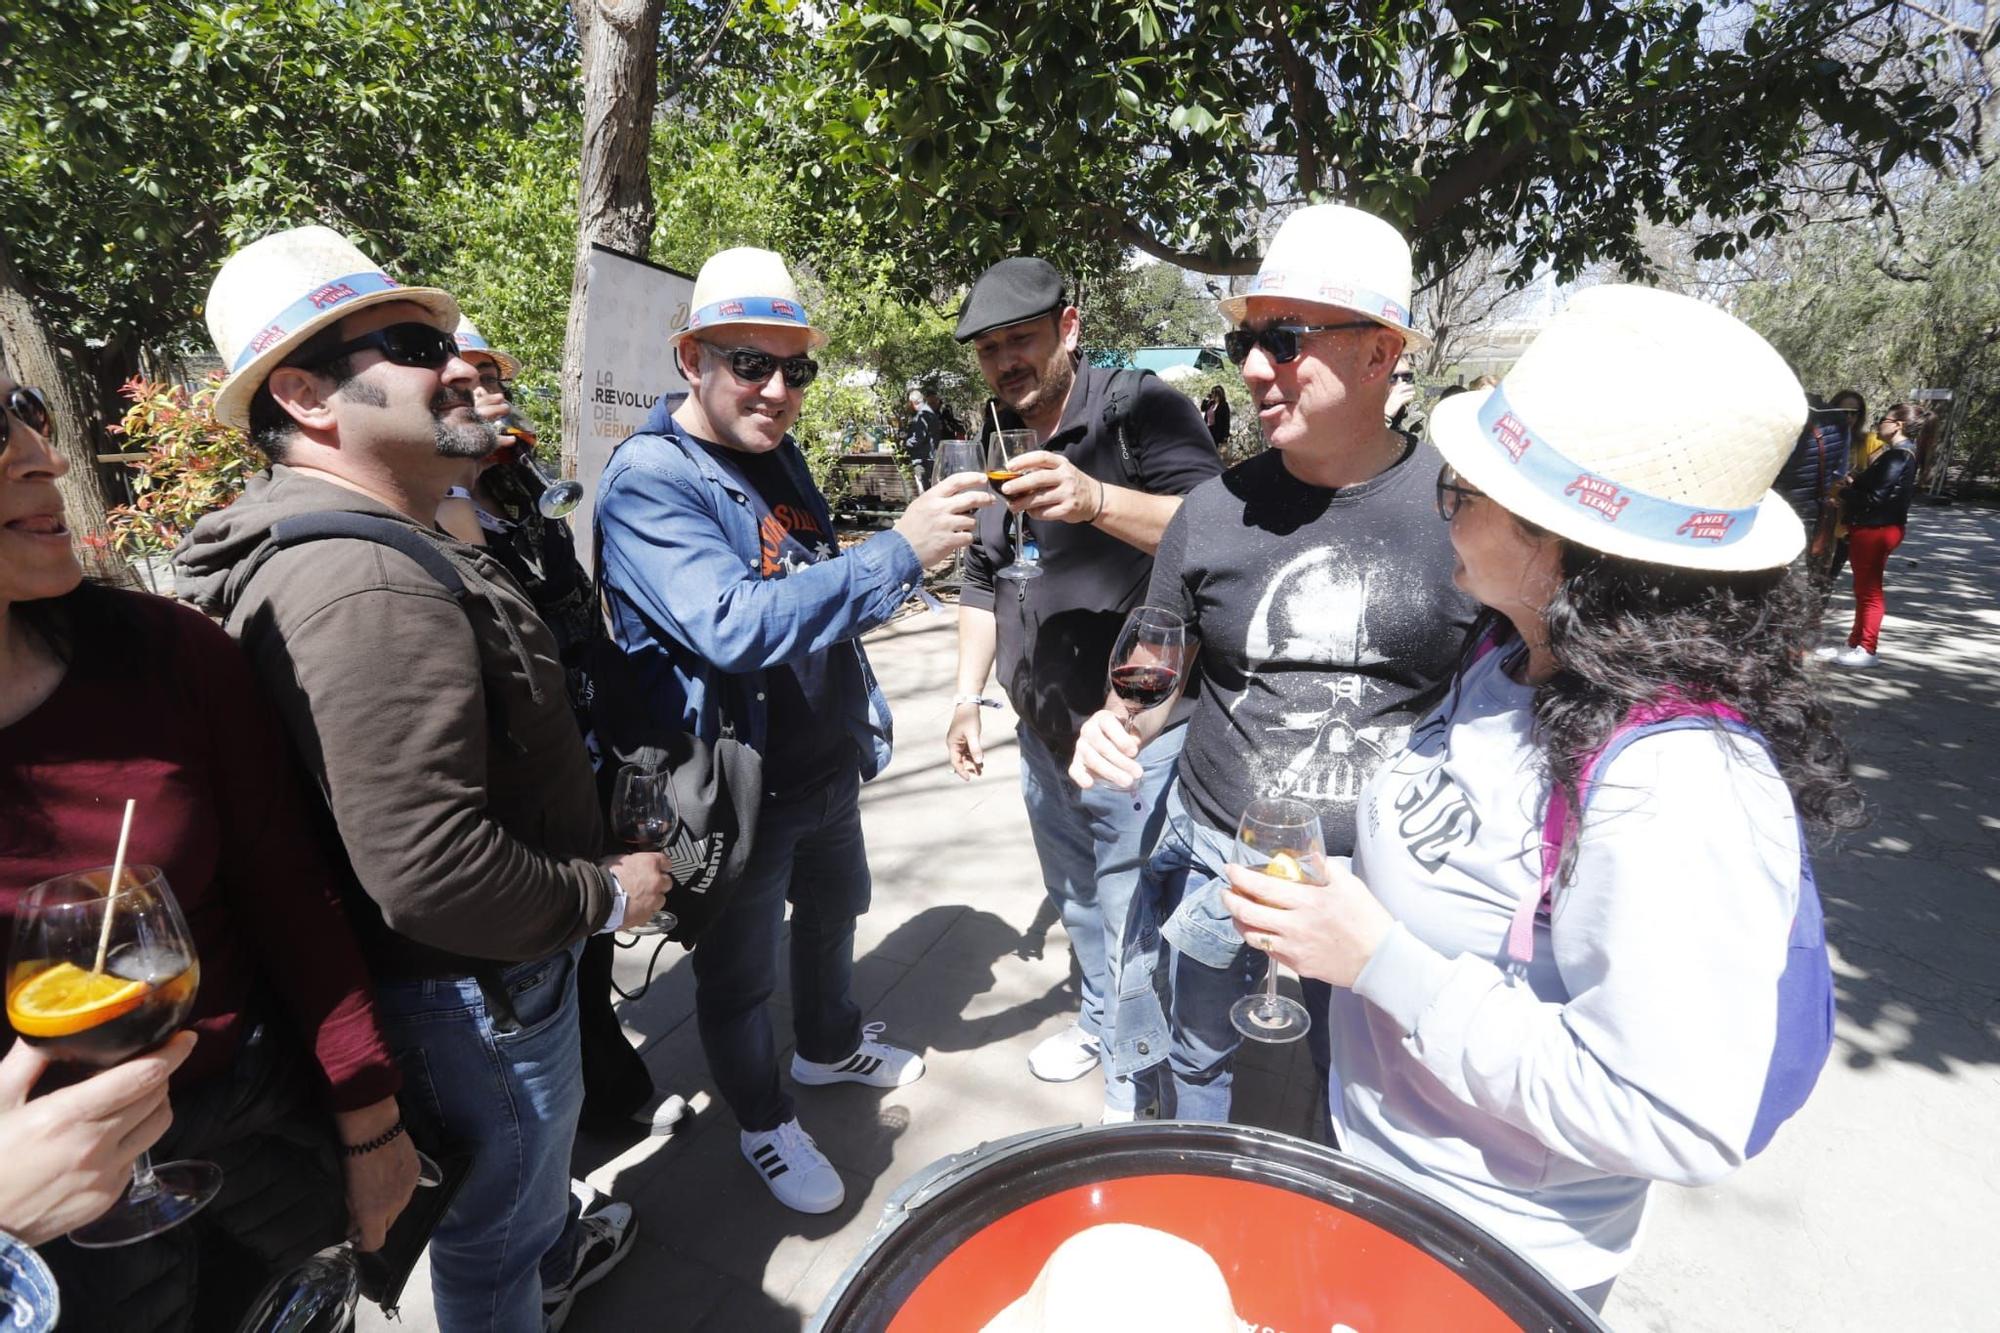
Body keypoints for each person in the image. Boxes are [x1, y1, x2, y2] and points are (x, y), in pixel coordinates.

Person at [1221, 284, 1859, 1309]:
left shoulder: (1678, 783)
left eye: (1461, 497)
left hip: (1483, 1259)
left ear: (1564, 548)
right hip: (1380, 1182)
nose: (1443, 515)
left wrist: (1380, 961)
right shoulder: (1508, 655)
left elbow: (1669, 1110)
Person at [174, 226, 669, 1332]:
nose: (459, 363)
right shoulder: (363, 581)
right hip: (476, 1000)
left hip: (475, 990)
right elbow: (432, 871)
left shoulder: (381, 542)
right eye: (410, 343)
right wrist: (608, 896)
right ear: (305, 395)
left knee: (506, 1224)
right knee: (493, 1247)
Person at [1, 367, 416, 1328]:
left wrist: (370, 1119)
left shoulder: (165, 653)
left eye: (27, 409)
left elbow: (287, 888)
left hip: (256, 1139)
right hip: (51, 1257)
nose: (47, 456)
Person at [595, 247, 989, 1215]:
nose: (777, 389)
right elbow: (730, 624)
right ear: (690, 357)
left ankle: (825, 1045)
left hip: (824, 761)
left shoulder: (776, 452)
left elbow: (804, 569)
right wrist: (898, 551)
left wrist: (880, 590)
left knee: (834, 912)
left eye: (795, 369)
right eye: (749, 363)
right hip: (739, 789)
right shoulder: (649, 480)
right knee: (735, 978)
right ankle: (764, 1116)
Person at [1069, 204, 1477, 1124]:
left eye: (1285, 340)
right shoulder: (1212, 510)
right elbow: (1154, 663)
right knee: (1198, 1068)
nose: (1252, 367)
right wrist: (1116, 719)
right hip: (1222, 866)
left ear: (1380, 353)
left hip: (1384, 892)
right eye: (1251, 339)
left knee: (1361, 1106)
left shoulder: (1465, 508)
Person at [946, 257, 1221, 1120]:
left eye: (1019, 339)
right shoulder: (1000, 430)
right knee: (1079, 902)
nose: (1004, 363)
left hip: (1136, 731)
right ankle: (1105, 1026)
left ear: (1068, 328)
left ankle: (1141, 1077)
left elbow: (1215, 531)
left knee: (1136, 912)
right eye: (989, 349)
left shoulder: (1140, 407)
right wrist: (967, 695)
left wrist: (1097, 497)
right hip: (1042, 732)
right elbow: (984, 575)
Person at [435, 319, 681, 1137]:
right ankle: (570, 1149)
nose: (490, 393)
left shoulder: (516, 486)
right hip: (512, 786)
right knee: (551, 948)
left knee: (590, 952)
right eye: (467, 383)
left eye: (494, 377)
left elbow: (574, 609)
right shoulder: (425, 513)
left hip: (581, 752)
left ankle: (607, 1100)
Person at [1824, 402, 1923, 668]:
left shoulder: (1897, 456)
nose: (1879, 423)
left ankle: (1867, 648)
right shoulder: (1903, 453)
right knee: (1863, 589)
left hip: (1876, 529)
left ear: (1898, 425)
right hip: (1879, 527)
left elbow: (1877, 497)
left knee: (1869, 592)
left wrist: (1845, 492)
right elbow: (1883, 488)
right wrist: (1856, 483)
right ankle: (1853, 643)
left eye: (1884, 419)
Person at [903, 385, 940, 488]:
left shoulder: (921, 415)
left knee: (924, 488)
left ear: (913, 403)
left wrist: (906, 442)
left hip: (923, 459)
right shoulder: (930, 412)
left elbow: (918, 438)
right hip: (932, 456)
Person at [1200, 384, 1231, 448]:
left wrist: (1225, 436)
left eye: (1213, 392)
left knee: (1217, 451)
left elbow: (1226, 421)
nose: (1212, 394)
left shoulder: (1224, 405)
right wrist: (1207, 398)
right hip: (1208, 430)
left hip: (1218, 431)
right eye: (1211, 392)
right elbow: (1202, 409)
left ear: (1218, 393)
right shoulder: (1210, 404)